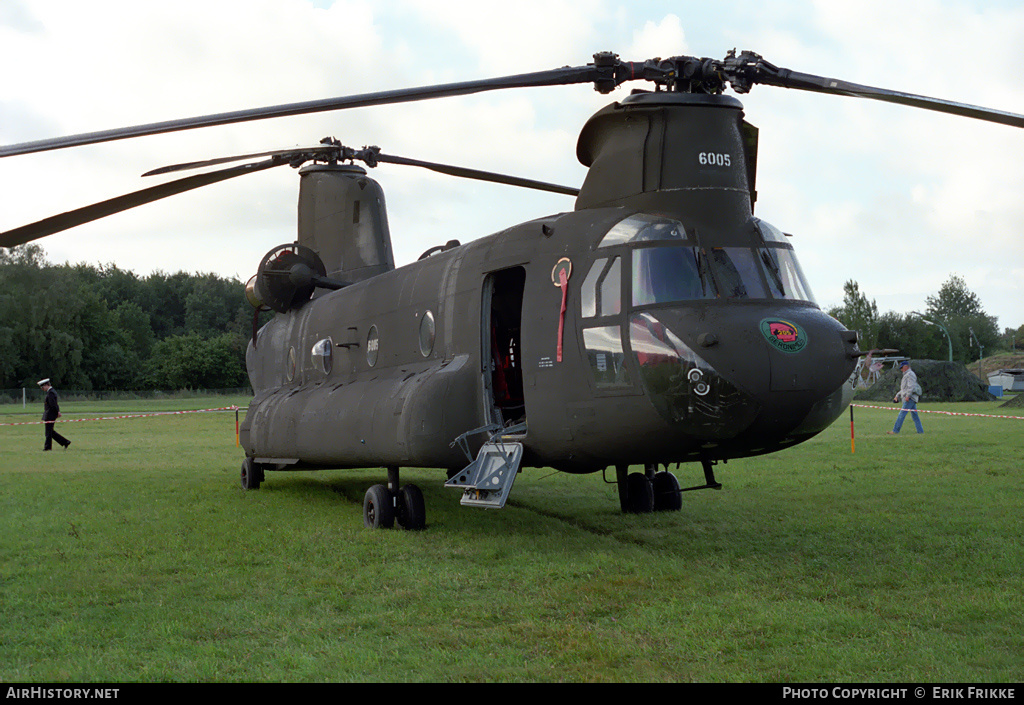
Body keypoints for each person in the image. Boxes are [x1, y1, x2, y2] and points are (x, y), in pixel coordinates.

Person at [888, 361, 923, 434]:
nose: (901, 369)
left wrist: (908, 396)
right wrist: (897, 395)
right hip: (910, 398)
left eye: (902, 367)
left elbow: (911, 387)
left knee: (901, 415)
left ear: (906, 367)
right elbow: (904, 389)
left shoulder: (910, 374)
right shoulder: (906, 375)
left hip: (910, 398)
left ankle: (895, 431)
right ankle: (920, 431)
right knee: (915, 416)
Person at [38, 378, 71, 450]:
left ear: (46, 385)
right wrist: (58, 411)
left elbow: (53, 404)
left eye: (42, 387)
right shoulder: (51, 392)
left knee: (48, 432)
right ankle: (65, 442)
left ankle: (47, 448)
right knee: (50, 432)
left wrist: (57, 412)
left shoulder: (51, 393)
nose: (42, 389)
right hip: (50, 414)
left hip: (50, 414)